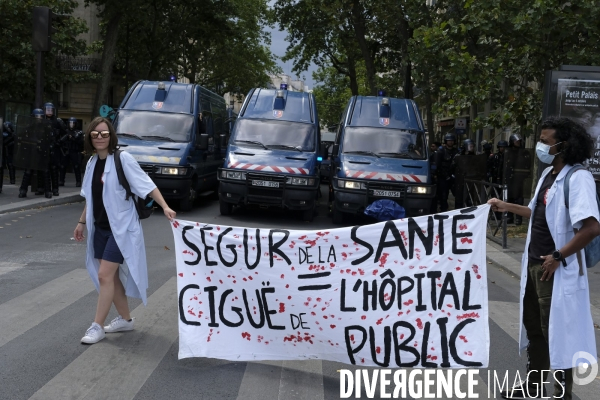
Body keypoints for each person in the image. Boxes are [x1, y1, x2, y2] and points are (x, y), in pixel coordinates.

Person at [488, 117, 599, 400]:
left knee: (559, 333)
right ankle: (534, 387)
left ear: (564, 145)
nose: (541, 146)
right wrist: (504, 206)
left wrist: (558, 256)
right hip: (535, 265)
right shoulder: (549, 175)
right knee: (535, 330)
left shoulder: (578, 178)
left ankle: (564, 393)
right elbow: (534, 210)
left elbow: (591, 227)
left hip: (555, 268)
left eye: (546, 142)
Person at [73, 117, 176, 345]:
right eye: (95, 134)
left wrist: (165, 206)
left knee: (104, 275)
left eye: (104, 133)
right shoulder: (91, 163)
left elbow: (146, 184)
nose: (100, 137)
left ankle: (97, 326)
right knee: (112, 277)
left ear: (111, 136)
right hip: (99, 227)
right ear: (90, 137)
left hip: (121, 229)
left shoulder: (122, 158)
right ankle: (126, 320)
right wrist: (81, 222)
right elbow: (90, 198)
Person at [18, 109, 53, 198]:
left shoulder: (45, 128)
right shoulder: (29, 128)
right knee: (28, 172)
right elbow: (23, 139)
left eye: (41, 116)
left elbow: (50, 140)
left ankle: (48, 191)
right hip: (32, 152)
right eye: (37, 117)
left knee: (45, 171)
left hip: (42, 152)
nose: (39, 118)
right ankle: (23, 190)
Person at [506, 133, 532, 225]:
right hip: (510, 179)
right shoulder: (508, 152)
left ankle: (518, 218)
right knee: (510, 198)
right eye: (516, 141)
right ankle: (509, 216)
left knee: (519, 199)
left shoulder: (524, 153)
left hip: (520, 179)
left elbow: (528, 166)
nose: (518, 143)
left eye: (519, 141)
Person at [435, 133, 459, 211]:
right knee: (443, 195)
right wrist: (444, 175)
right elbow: (438, 165)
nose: (450, 142)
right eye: (449, 141)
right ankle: (443, 209)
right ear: (446, 141)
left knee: (458, 194)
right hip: (443, 177)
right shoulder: (441, 150)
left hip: (454, 176)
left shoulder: (456, 151)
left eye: (452, 141)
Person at [59, 117, 84, 187]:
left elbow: (81, 142)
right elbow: (61, 141)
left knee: (76, 167)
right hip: (66, 151)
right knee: (63, 166)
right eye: (70, 123)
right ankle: (61, 180)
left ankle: (78, 181)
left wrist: (73, 138)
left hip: (74, 151)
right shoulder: (65, 132)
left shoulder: (78, 132)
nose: (71, 125)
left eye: (73, 123)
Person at [1, 121, 16, 193]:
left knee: (10, 164)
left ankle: (12, 179)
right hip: (4, 150)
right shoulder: (4, 133)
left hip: (9, 150)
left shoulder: (12, 135)